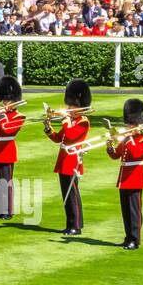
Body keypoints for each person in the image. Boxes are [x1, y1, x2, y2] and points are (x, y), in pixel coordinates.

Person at [45, 79, 92, 236]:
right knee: (66, 194)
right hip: (64, 159)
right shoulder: (72, 120)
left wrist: (66, 121)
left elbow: (71, 136)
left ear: (79, 106)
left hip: (72, 160)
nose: (69, 108)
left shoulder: (83, 122)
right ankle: (70, 223)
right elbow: (59, 138)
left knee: (72, 194)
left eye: (72, 106)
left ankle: (76, 225)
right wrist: (48, 128)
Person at [107, 98, 143, 249]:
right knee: (126, 211)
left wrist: (129, 138)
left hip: (135, 178)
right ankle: (128, 237)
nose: (129, 126)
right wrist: (110, 146)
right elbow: (116, 155)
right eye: (129, 123)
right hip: (124, 178)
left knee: (134, 212)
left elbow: (136, 154)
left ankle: (135, 239)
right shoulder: (128, 138)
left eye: (131, 124)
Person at [0, 75, 25, 219]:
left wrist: (0, 116)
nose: (4, 103)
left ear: (14, 101)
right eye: (4, 100)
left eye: (7, 101)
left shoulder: (19, 116)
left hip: (7, 151)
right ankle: (0, 210)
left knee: (6, 183)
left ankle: (8, 211)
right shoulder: (2, 114)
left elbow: (7, 129)